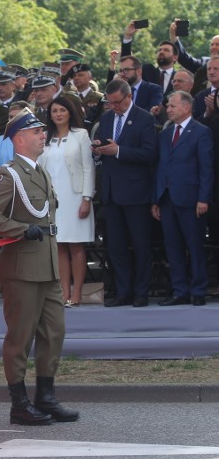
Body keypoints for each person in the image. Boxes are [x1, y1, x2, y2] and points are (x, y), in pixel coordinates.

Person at [0, 107, 79, 426]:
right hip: (20, 268)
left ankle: (45, 397)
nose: (42, 135)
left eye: (42, 131)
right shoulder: (9, 174)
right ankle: (19, 404)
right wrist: (20, 229)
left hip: (46, 265)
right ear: (19, 139)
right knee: (20, 337)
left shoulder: (40, 171)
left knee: (54, 332)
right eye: (36, 132)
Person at [93, 79, 158, 307]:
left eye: (117, 103)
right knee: (116, 247)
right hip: (112, 192)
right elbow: (104, 145)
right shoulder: (107, 117)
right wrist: (99, 149)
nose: (114, 107)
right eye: (110, 103)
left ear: (129, 97)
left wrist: (119, 150)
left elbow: (149, 154)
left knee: (140, 245)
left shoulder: (145, 118)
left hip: (136, 192)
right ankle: (123, 291)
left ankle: (141, 292)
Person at [151, 91, 214, 306]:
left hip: (191, 200)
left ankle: (198, 290)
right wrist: (157, 199)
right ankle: (180, 291)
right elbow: (161, 168)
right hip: (168, 199)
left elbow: (206, 169)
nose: (168, 109)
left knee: (194, 246)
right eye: (168, 106)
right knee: (173, 247)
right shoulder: (165, 134)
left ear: (187, 107)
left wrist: (203, 199)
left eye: (172, 106)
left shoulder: (201, 132)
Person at [38, 96, 95, 307]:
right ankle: (64, 292)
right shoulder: (46, 138)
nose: (58, 114)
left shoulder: (81, 135)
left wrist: (87, 198)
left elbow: (89, 168)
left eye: (62, 110)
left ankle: (77, 292)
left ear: (70, 112)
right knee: (59, 245)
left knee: (75, 245)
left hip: (75, 196)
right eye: (54, 111)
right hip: (53, 198)